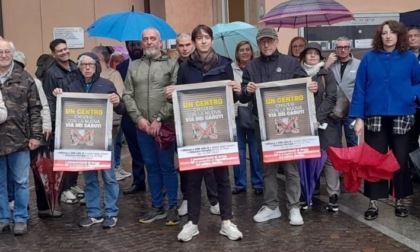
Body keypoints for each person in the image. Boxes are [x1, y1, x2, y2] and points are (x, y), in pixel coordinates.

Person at [166, 24, 243, 242]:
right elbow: (179, 98)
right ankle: (192, 223)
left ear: (211, 40)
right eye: (198, 38)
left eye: (206, 37)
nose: (203, 41)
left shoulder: (224, 64)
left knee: (222, 178)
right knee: (193, 178)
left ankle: (227, 222)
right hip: (193, 131)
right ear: (193, 42)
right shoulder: (185, 68)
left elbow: (232, 98)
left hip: (219, 129)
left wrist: (236, 92)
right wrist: (170, 94)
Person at [239, 27, 316, 226]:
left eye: (270, 41)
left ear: (276, 41)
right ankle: (272, 206)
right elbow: (243, 96)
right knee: (268, 167)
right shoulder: (252, 67)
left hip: (288, 125)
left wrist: (312, 89)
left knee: (291, 167)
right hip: (262, 124)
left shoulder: (291, 63)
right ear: (258, 43)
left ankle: (294, 207)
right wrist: (246, 91)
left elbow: (304, 88)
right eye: (263, 41)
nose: (266, 44)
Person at [350, 20, 420, 220]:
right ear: (379, 37)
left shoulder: (409, 58)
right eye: (384, 33)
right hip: (375, 115)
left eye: (392, 33)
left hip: (402, 113)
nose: (388, 36)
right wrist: (358, 117)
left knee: (400, 159)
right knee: (375, 160)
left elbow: (418, 82)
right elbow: (360, 88)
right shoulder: (369, 58)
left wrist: (412, 95)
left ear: (399, 36)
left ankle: (400, 199)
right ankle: (373, 202)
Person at [53, 52, 124, 228]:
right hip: (82, 141)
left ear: (96, 67)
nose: (87, 68)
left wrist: (117, 102)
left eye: (90, 65)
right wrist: (59, 95)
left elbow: (122, 109)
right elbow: (64, 109)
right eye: (83, 65)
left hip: (103, 139)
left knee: (109, 177)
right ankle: (94, 213)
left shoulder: (106, 85)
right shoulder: (72, 86)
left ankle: (111, 212)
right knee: (90, 178)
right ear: (79, 67)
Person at [123, 28, 179, 226]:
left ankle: (173, 206)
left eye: (152, 39)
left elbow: (175, 96)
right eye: (145, 39)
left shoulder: (172, 65)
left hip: (164, 126)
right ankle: (157, 206)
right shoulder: (134, 66)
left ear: (160, 41)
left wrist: (159, 119)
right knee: (151, 167)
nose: (149, 42)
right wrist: (139, 119)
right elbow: (127, 95)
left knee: (167, 167)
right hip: (143, 128)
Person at [174, 33, 220, 217]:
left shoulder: (216, 63)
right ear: (177, 47)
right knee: (187, 164)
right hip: (186, 121)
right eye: (181, 45)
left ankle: (214, 199)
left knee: (210, 164)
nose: (185, 48)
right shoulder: (178, 67)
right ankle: (187, 199)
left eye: (187, 44)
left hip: (210, 118)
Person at [0, 40, 42, 235]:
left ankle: (20, 218)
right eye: (0, 52)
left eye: (7, 51)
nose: (3, 55)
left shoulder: (25, 78)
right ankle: (3, 218)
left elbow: (35, 109)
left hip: (20, 139)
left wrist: (36, 135)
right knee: (0, 183)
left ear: (12, 53)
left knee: (21, 181)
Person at [13, 51, 61, 218]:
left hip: (35, 132)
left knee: (41, 171)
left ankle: (45, 206)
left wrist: (46, 125)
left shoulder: (35, 82)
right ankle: (21, 209)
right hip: (15, 135)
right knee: (17, 175)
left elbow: (44, 106)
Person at [300, 42, 341, 212]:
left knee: (329, 159)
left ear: (320, 57)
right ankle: (308, 193)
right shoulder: (297, 74)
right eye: (308, 53)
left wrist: (317, 117)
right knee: (308, 158)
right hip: (304, 123)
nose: (312, 56)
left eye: (315, 53)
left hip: (326, 123)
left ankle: (333, 194)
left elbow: (331, 97)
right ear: (303, 57)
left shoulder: (327, 73)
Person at [42, 39, 83, 204]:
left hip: (77, 118)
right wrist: (52, 124)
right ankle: (64, 189)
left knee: (76, 155)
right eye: (60, 51)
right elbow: (49, 99)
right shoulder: (51, 73)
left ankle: (72, 184)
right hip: (61, 120)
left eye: (65, 49)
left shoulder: (75, 67)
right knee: (63, 157)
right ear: (53, 54)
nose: (64, 52)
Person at [92, 45, 132, 181]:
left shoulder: (114, 75)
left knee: (112, 145)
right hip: (94, 120)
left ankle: (113, 170)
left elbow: (120, 96)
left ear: (100, 58)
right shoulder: (90, 76)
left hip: (112, 120)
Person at [231, 41, 263, 195]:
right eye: (241, 50)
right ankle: (240, 183)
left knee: (255, 150)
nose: (244, 52)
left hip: (253, 112)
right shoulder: (230, 68)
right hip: (235, 112)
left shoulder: (257, 66)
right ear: (237, 53)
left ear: (252, 52)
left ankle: (258, 183)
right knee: (239, 150)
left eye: (247, 50)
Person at [116, 41, 146, 195]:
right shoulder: (121, 67)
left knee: (152, 151)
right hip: (128, 115)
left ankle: (159, 185)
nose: (135, 48)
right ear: (127, 46)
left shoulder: (149, 64)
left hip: (147, 114)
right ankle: (138, 181)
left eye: (138, 44)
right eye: (131, 45)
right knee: (134, 150)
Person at [325, 37, 360, 147]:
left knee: (353, 141)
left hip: (352, 110)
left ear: (350, 49)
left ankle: (354, 165)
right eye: (340, 47)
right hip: (333, 110)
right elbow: (320, 79)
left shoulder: (359, 64)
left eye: (346, 47)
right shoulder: (330, 64)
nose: (343, 50)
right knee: (335, 142)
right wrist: (326, 64)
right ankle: (339, 165)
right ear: (335, 49)